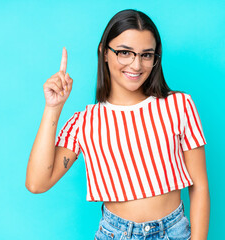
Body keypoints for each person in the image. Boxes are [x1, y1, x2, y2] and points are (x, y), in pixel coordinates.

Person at [26, 9, 210, 240]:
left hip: (174, 232)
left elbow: (200, 186)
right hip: (116, 233)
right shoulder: (85, 123)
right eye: (125, 52)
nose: (136, 65)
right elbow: (37, 183)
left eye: (146, 55)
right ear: (104, 52)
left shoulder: (179, 105)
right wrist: (53, 107)